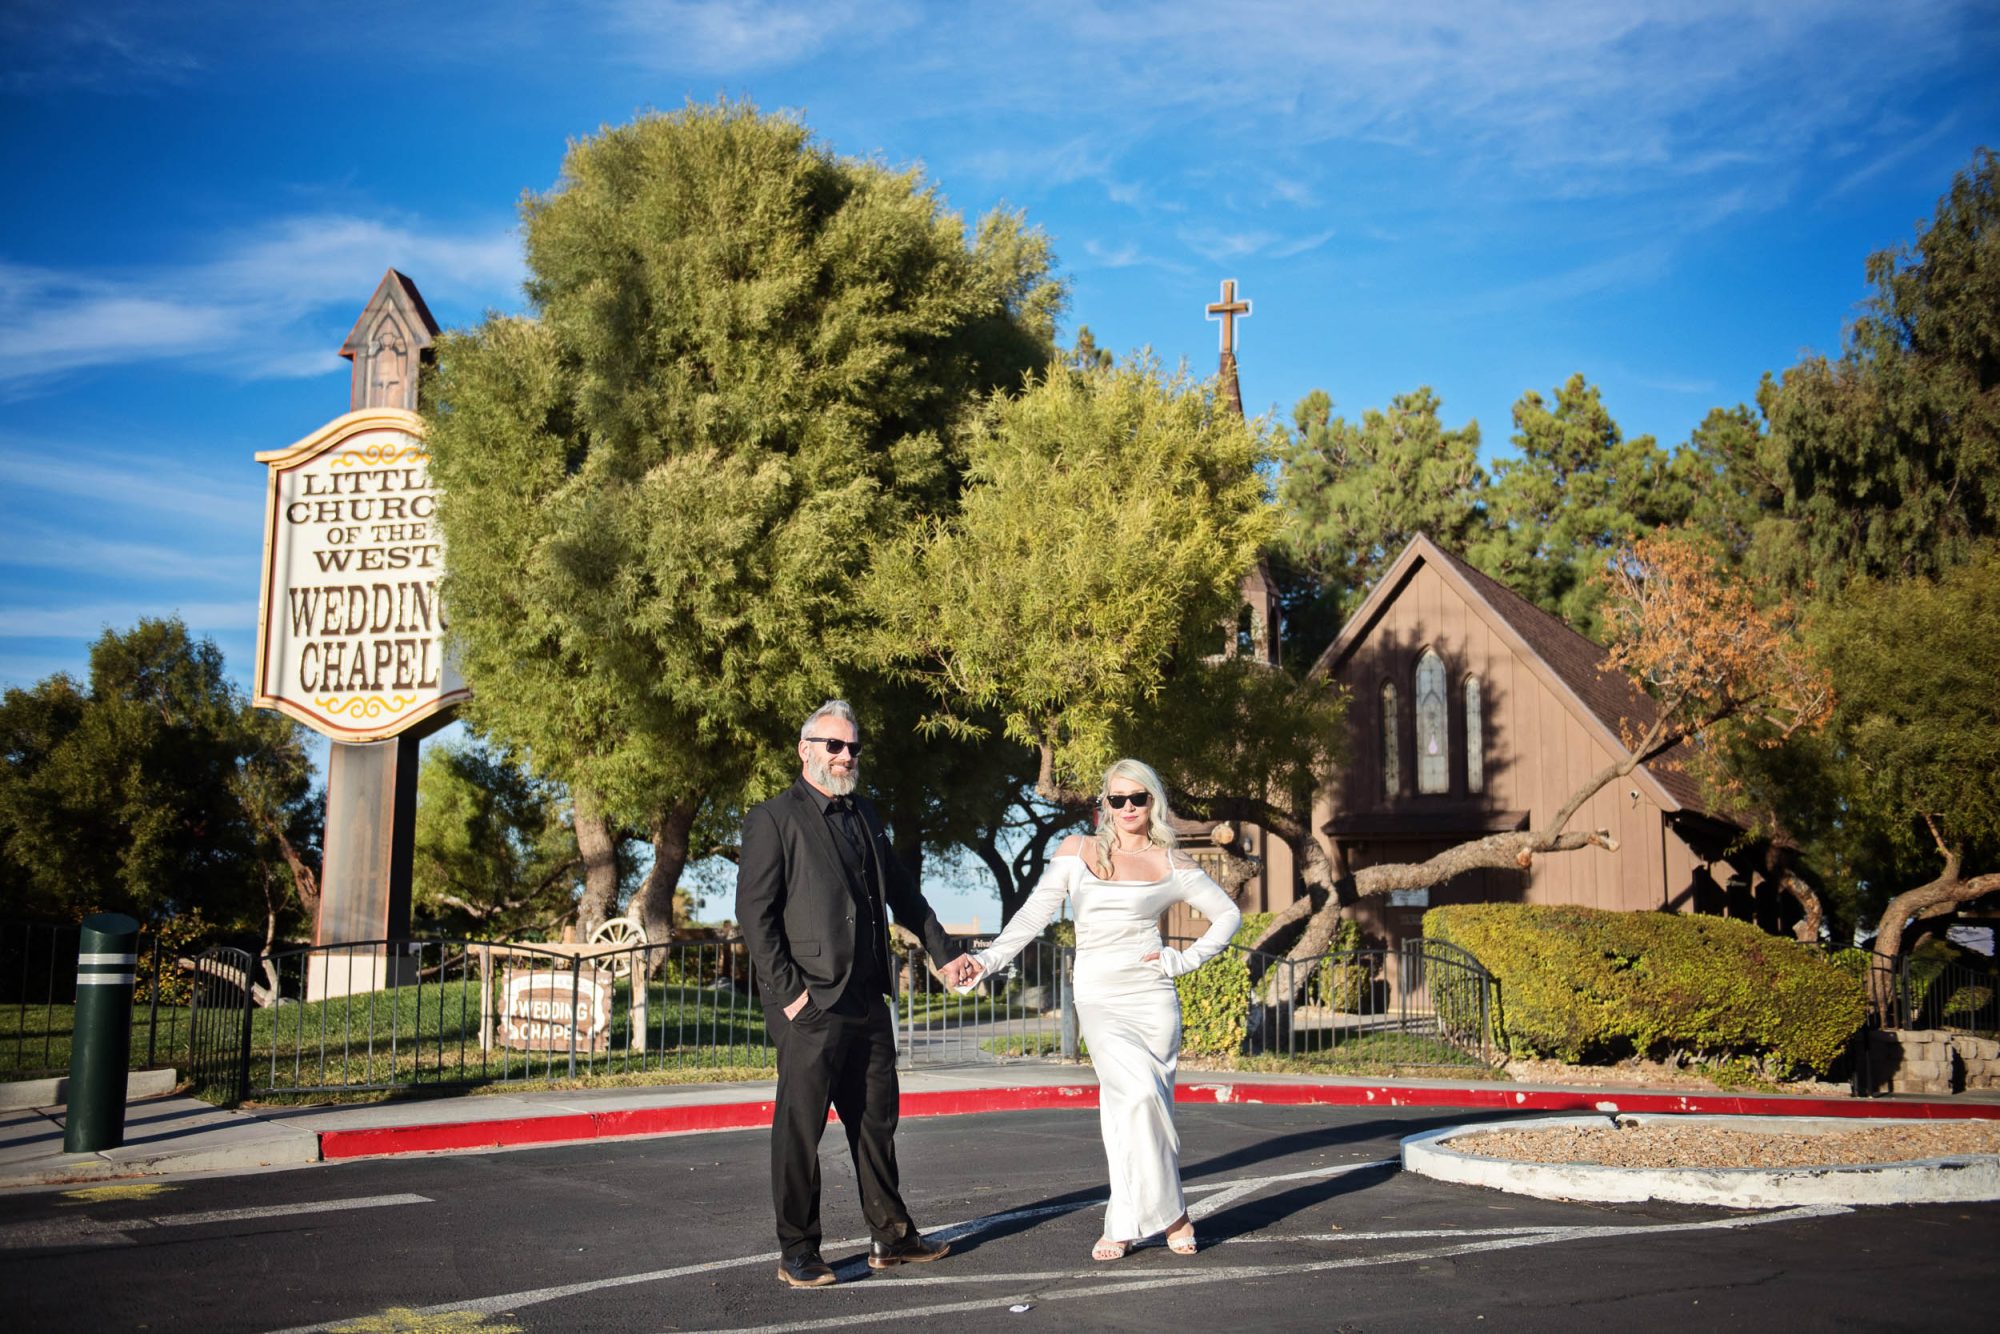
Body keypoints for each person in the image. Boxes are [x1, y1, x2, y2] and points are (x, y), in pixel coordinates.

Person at [736, 699, 979, 1289]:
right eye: (834, 746)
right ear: (806, 750)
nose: (845, 757)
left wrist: (945, 955)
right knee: (801, 1128)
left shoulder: (866, 814)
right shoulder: (773, 818)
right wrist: (790, 996)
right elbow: (755, 915)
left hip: (868, 997)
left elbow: (902, 891)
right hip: (810, 1004)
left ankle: (891, 1238)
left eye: (852, 748)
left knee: (876, 1122)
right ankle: (798, 1249)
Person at [961, 758, 1241, 1261]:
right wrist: (985, 961)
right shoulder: (1076, 851)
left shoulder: (1171, 862)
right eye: (1118, 799)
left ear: (1152, 802)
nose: (1128, 807)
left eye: (1139, 798)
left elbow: (1228, 915)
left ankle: (1125, 1221)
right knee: (1136, 1097)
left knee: (1133, 1110)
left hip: (1152, 999)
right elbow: (1032, 916)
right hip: (1098, 996)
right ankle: (1173, 1212)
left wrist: (1184, 959)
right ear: (1104, 805)